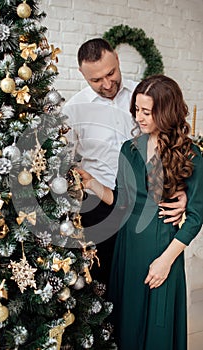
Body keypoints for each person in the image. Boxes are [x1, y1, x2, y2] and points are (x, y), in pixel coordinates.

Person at [77, 74, 203, 350]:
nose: (139, 117)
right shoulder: (129, 149)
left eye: (147, 112)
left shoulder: (190, 153)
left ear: (166, 112)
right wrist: (92, 184)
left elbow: (195, 217)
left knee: (158, 328)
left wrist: (165, 262)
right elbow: (122, 202)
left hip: (162, 250)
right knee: (127, 326)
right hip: (127, 249)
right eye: (136, 110)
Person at [63, 38, 187, 286]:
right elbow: (63, 162)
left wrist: (182, 190)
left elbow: (174, 144)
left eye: (111, 73)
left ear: (118, 60)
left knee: (142, 278)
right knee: (102, 282)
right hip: (98, 207)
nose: (107, 84)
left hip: (145, 203)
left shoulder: (144, 97)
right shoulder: (73, 110)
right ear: (82, 74)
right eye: (96, 80)